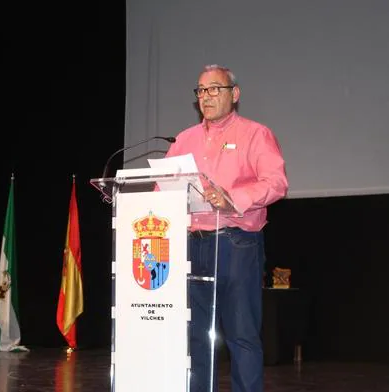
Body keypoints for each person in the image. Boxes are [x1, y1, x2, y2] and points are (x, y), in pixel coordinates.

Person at [164, 64, 288, 392]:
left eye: (214, 89)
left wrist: (232, 198)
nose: (206, 96)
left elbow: (276, 183)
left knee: (241, 334)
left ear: (234, 94)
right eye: (201, 90)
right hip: (192, 243)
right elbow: (161, 188)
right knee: (195, 336)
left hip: (236, 242)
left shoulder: (255, 134)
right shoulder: (184, 140)